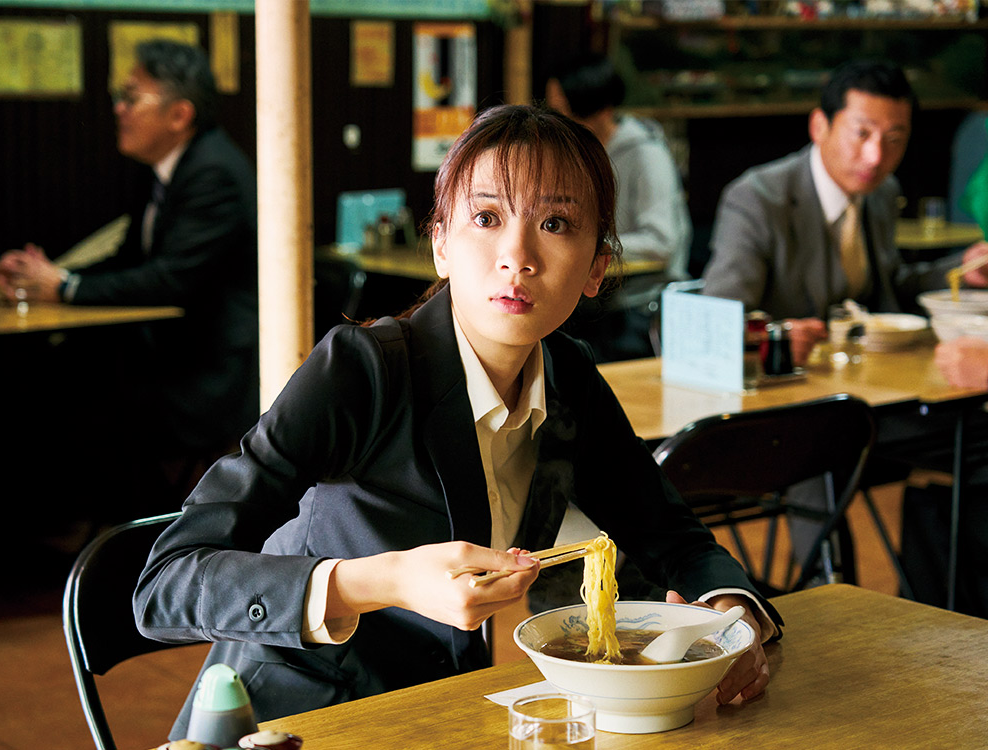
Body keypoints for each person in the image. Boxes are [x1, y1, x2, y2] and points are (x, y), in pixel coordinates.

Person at [133, 105, 780, 739]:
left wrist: (736, 615)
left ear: (597, 267)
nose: (517, 255)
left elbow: (673, 535)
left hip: (439, 714)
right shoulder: (363, 371)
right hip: (292, 717)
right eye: (487, 217)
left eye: (555, 222)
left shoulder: (567, 376)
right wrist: (386, 580)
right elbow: (165, 583)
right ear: (440, 242)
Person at [0, 39, 258, 506]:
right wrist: (54, 276)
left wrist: (67, 287)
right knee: (48, 375)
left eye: (131, 97)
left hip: (211, 376)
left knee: (69, 399)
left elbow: (170, 279)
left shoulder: (212, 173)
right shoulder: (165, 168)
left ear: (179, 115)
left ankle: (115, 534)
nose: (118, 108)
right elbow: (133, 259)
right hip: (170, 355)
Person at [701, 59, 986, 366]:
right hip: (789, 380)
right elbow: (717, 318)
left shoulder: (883, 192)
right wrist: (776, 335)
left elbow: (890, 287)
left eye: (894, 140)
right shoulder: (758, 199)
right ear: (819, 127)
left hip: (866, 372)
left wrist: (962, 269)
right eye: (862, 134)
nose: (875, 157)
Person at [545, 53, 692, 361]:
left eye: (561, 108)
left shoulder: (645, 153)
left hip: (639, 307)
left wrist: (591, 245)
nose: (556, 118)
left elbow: (661, 242)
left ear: (590, 105)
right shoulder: (580, 153)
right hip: (597, 299)